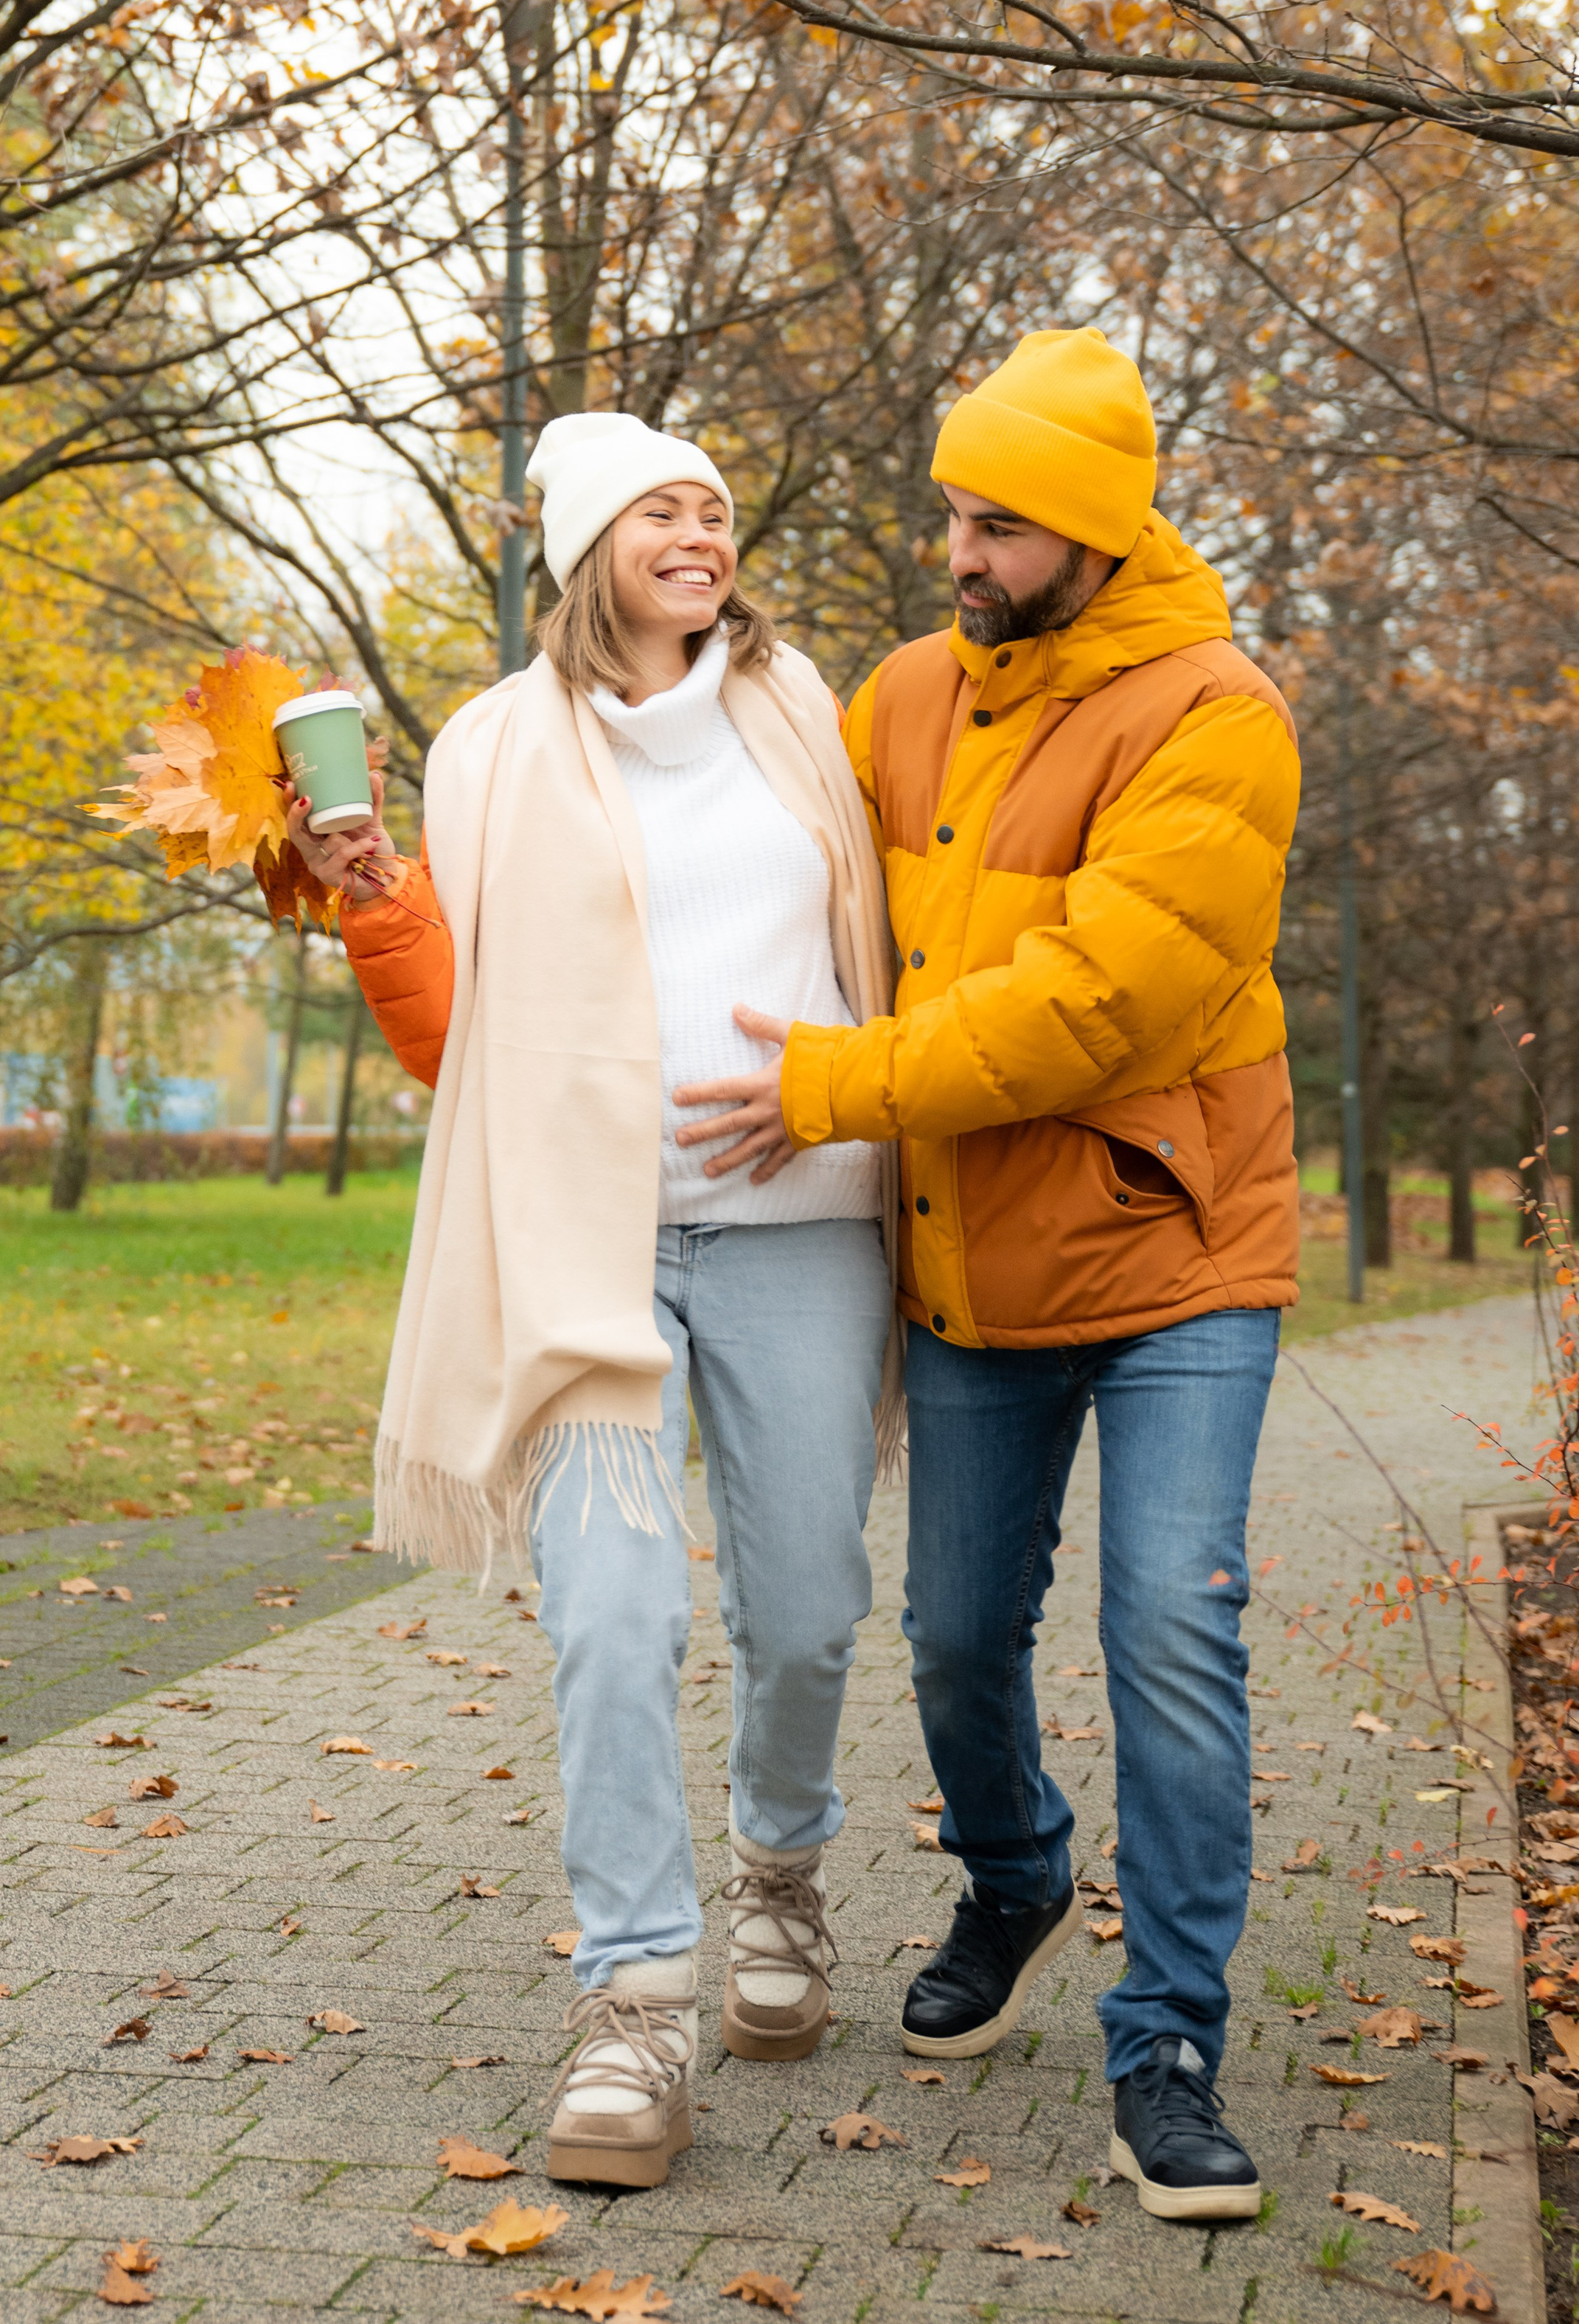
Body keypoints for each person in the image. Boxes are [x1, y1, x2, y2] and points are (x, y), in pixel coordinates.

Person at [672, 329, 1301, 2224]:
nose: (961, 552)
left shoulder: (1215, 713)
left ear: (1098, 536)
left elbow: (1101, 999)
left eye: (1001, 526)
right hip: (968, 1257)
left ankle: (1163, 2044)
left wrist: (833, 1087)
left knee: (1169, 1628)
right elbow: (727, 839)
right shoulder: (897, 696)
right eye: (952, 512)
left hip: (1180, 1249)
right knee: (952, 1637)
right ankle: (1015, 1872)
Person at [282, 411, 901, 2191]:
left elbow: (883, 944)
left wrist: (841, 1090)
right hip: (585, 1249)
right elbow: (454, 1038)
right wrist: (375, 904)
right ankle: (633, 2006)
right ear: (584, 553)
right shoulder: (491, 746)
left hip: (799, 1230)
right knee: (613, 1618)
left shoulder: (802, 714)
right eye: (661, 512)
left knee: (806, 1611)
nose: (700, 534)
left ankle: (780, 1879)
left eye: (714, 509)